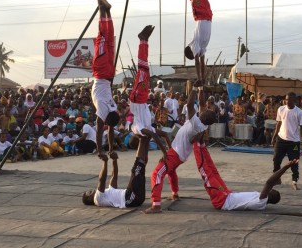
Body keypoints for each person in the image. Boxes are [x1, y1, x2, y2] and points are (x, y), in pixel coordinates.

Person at [145, 80, 216, 214]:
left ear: (204, 117)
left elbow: (189, 104)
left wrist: (194, 88)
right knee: (171, 171)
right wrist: (200, 87)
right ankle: (175, 193)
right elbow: (200, 103)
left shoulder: (197, 123)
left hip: (177, 153)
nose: (203, 109)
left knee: (157, 174)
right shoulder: (202, 123)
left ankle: (156, 204)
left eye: (205, 111)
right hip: (180, 153)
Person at [193, 139, 298, 210]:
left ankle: (195, 145)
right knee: (214, 172)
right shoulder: (262, 201)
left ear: (269, 195)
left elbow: (269, 182)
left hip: (221, 200)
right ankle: (202, 146)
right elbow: (270, 184)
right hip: (227, 194)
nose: (270, 189)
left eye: (271, 191)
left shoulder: (261, 201)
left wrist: (285, 167)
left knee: (207, 173)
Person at [82, 133, 165, 208]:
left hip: (135, 197)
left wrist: (115, 160)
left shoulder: (107, 194)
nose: (91, 190)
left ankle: (145, 140)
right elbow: (102, 180)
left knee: (141, 167)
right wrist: (105, 162)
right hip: (129, 199)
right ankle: (142, 139)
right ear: (89, 199)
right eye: (89, 192)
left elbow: (114, 175)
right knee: (137, 168)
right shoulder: (97, 199)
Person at [128, 25, 173, 155]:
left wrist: (165, 152)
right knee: (145, 69)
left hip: (137, 100)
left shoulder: (138, 130)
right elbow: (163, 134)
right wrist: (170, 150)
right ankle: (145, 41)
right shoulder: (147, 129)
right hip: (141, 99)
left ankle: (142, 40)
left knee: (142, 68)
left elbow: (154, 137)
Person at [91, 0, 120, 155]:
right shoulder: (103, 110)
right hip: (101, 72)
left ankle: (107, 11)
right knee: (102, 37)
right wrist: (101, 150)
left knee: (109, 41)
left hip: (109, 74)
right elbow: (100, 129)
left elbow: (109, 130)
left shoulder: (113, 108)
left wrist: (110, 150)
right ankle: (102, 9)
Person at [175, 0, 212, 83]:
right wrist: (201, 78)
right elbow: (199, 61)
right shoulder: (197, 46)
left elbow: (200, 61)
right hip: (202, 15)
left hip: (206, 16)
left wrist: (201, 78)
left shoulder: (198, 46)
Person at [271, 92, 302, 190]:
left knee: (294, 162)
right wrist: (274, 137)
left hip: (294, 142)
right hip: (281, 139)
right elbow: (278, 123)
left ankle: (294, 181)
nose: (287, 101)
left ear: (295, 101)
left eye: (289, 99)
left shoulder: (299, 112)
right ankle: (277, 178)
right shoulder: (281, 109)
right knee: (276, 160)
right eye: (286, 99)